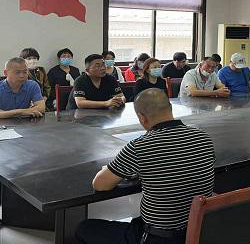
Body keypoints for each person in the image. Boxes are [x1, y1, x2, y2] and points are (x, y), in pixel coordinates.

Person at [75, 88, 215, 244]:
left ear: (141, 117)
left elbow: (100, 184)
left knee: (84, 228)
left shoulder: (140, 147)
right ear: (170, 108)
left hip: (159, 238)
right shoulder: (203, 138)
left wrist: (110, 169)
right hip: (201, 231)